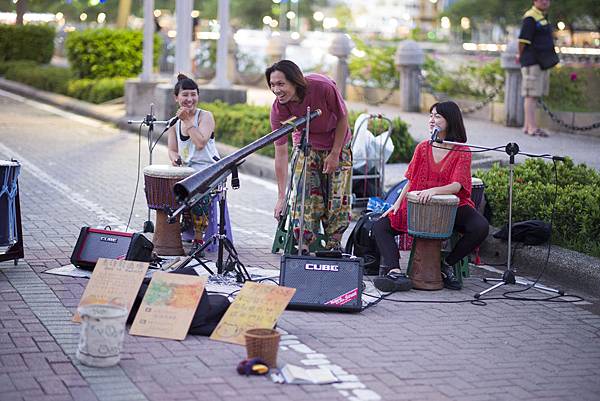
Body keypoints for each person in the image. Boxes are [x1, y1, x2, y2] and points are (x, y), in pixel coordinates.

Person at [372, 101, 489, 292]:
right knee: (380, 225)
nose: (432, 120)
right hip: (418, 205)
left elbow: (457, 185)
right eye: (430, 116)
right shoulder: (423, 148)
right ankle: (395, 271)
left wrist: (433, 191)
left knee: (480, 227)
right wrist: (395, 204)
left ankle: (447, 264)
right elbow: (410, 181)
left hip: (451, 208)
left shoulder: (462, 151)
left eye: (437, 116)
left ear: (450, 121)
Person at [266, 60, 352, 252]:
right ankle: (303, 246)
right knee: (304, 197)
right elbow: (280, 152)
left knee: (337, 197)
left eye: (281, 84)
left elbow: (343, 116)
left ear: (295, 81)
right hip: (306, 145)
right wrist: (281, 197)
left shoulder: (322, 86)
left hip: (337, 142)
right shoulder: (278, 109)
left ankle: (334, 244)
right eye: (272, 85)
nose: (276, 90)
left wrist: (335, 153)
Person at [167, 74, 219, 247]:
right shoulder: (174, 123)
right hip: (186, 171)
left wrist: (188, 120)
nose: (189, 99)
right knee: (167, 190)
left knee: (198, 192)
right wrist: (175, 159)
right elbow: (172, 150)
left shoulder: (206, 116)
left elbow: (200, 143)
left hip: (208, 171)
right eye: (185, 95)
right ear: (176, 98)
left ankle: (198, 238)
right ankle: (173, 231)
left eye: (193, 94)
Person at [517, 0, 558, 137]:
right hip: (532, 62)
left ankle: (527, 126)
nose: (545, 1)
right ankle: (532, 128)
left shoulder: (541, 16)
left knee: (533, 95)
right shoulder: (531, 17)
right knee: (531, 95)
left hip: (539, 62)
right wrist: (521, 57)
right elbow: (522, 41)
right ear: (534, 1)